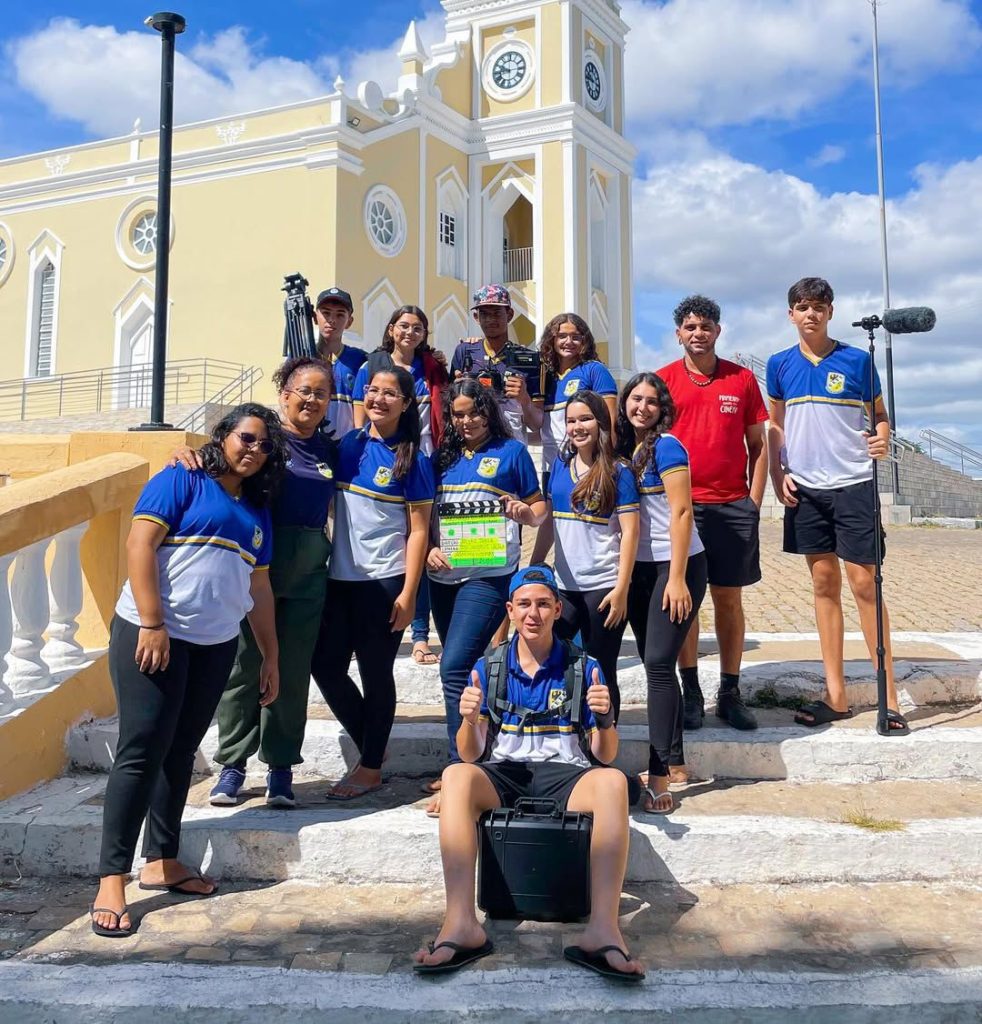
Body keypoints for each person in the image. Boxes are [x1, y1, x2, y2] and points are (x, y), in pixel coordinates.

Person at [89, 404, 286, 937]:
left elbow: (259, 587)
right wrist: (152, 622)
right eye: (246, 438)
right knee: (141, 750)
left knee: (180, 751)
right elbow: (139, 544)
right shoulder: (182, 477)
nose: (254, 450)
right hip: (153, 635)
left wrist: (270, 654)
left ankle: (162, 858)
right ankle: (112, 879)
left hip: (214, 646)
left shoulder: (257, 511)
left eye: (265, 445)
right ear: (223, 436)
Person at [413, 565, 644, 982]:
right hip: (506, 772)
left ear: (557, 609)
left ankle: (604, 930)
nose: (532, 613)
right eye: (523, 604)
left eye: (542, 604)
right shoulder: (489, 667)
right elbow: (470, 753)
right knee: (457, 776)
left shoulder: (584, 666)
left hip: (566, 773)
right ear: (510, 610)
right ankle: (461, 923)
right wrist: (468, 720)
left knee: (611, 782)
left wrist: (606, 719)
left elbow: (604, 755)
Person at [766, 277, 908, 734]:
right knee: (824, 583)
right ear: (791, 314)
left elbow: (880, 417)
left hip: (853, 485)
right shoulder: (779, 364)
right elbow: (775, 425)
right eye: (802, 306)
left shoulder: (858, 360)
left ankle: (889, 698)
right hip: (806, 489)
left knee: (865, 584)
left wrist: (882, 437)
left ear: (830, 312)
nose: (810, 314)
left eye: (818, 306)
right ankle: (836, 695)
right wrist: (778, 473)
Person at [198, 357, 337, 809]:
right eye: (304, 391)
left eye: (321, 393)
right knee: (244, 666)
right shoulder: (263, 442)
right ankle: (233, 765)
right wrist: (184, 454)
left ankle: (281, 766)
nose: (312, 400)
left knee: (291, 671)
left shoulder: (330, 450)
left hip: (308, 573)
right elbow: (216, 462)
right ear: (285, 394)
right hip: (256, 566)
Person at [310, 365, 435, 799]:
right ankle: (373, 746)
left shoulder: (413, 459)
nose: (379, 399)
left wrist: (409, 593)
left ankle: (370, 768)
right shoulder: (347, 445)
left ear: (406, 403)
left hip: (384, 583)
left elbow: (419, 530)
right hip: (339, 579)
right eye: (373, 390)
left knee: (375, 672)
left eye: (389, 393)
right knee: (325, 666)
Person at [424, 377, 546, 812]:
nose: (467, 421)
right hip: (443, 578)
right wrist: (430, 547)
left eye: (474, 412)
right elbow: (423, 514)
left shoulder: (511, 452)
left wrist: (525, 513)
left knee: (454, 665)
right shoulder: (441, 457)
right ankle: (485, 750)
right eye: (458, 414)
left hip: (490, 575)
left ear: (487, 412)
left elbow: (539, 508)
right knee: (467, 670)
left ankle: (460, 768)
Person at [658, 295, 768, 735]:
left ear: (718, 331)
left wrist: (753, 502)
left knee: (728, 599)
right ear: (678, 334)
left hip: (732, 506)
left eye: (705, 326)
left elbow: (758, 445)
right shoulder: (664, 381)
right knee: (683, 601)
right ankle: (691, 692)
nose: (698, 333)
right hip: (682, 510)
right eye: (690, 327)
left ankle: (729, 692)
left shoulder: (741, 379)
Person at [616, 373, 707, 814]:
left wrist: (677, 577)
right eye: (636, 398)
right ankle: (677, 759)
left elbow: (682, 511)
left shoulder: (668, 447)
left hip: (676, 567)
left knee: (655, 662)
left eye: (652, 401)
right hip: (639, 569)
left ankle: (660, 772)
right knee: (659, 664)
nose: (643, 407)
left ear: (663, 408)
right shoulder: (623, 450)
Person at [353, 305, 449, 665]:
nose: (409, 333)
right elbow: (361, 420)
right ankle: (403, 629)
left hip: (424, 462)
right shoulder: (372, 367)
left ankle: (422, 635)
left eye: (417, 327)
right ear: (391, 329)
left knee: (424, 547)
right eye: (403, 326)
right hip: (385, 462)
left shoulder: (431, 368)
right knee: (405, 546)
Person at [548, 389, 639, 723]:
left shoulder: (619, 471)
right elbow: (549, 525)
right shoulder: (560, 466)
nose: (577, 427)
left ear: (601, 422)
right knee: (554, 663)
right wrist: (536, 566)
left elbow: (630, 532)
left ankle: (605, 738)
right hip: (564, 588)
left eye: (585, 419)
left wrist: (622, 589)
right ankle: (565, 731)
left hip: (603, 588)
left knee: (601, 669)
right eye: (571, 420)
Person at [530, 313, 618, 564]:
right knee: (554, 519)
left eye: (576, 336)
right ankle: (537, 565)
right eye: (562, 336)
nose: (569, 342)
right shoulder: (545, 377)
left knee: (591, 522)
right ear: (551, 339)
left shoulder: (594, 371)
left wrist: (605, 462)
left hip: (589, 463)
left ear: (585, 341)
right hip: (553, 465)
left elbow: (610, 422)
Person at [449, 283, 543, 443]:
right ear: (476, 317)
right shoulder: (464, 352)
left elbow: (535, 424)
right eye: (484, 314)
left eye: (497, 313)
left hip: (511, 446)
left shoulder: (529, 360)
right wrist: (458, 390)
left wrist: (524, 398)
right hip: (471, 446)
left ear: (510, 314)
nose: (491, 319)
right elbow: (449, 409)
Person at [314, 286, 366, 438]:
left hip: (346, 444)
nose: (332, 320)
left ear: (349, 322)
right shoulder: (301, 356)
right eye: (326, 313)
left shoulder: (360, 359)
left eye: (340, 315)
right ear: (315, 317)